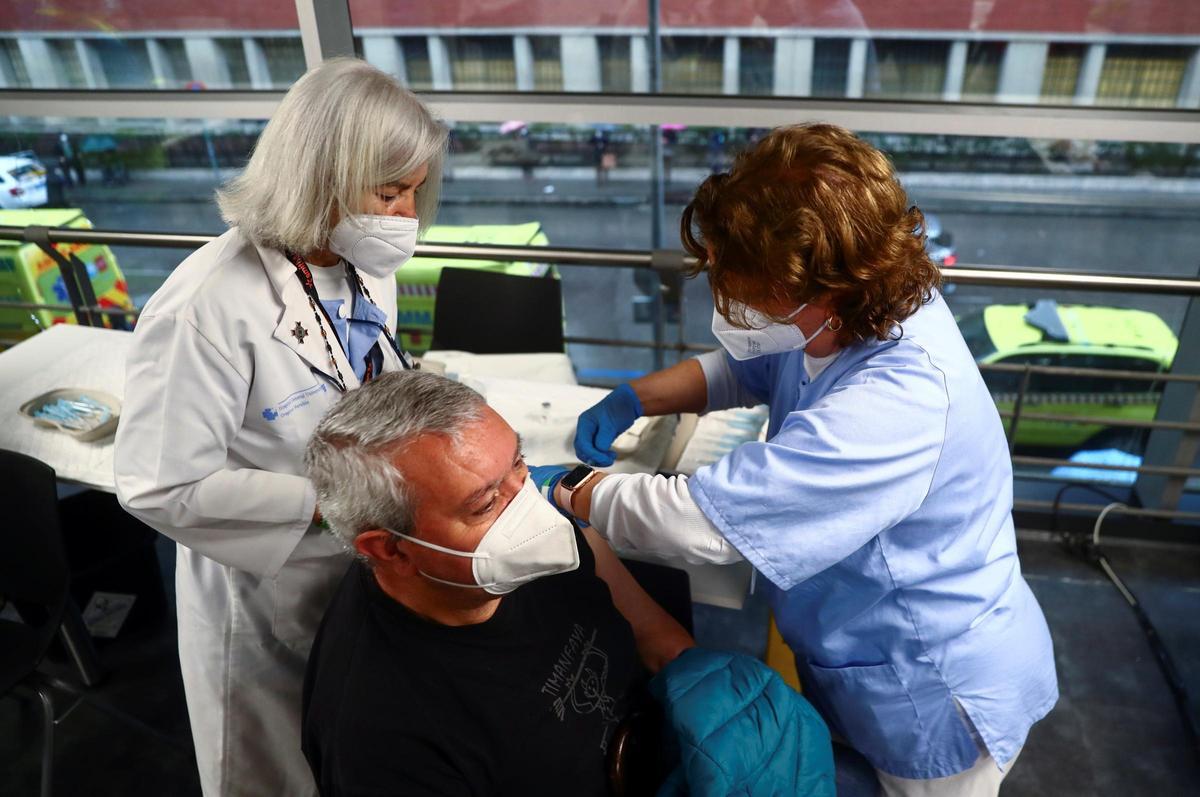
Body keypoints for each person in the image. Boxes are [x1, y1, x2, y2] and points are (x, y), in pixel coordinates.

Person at [535, 123, 1058, 796]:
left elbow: (706, 524)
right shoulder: (850, 311)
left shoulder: (900, 400)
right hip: (860, 648)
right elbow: (755, 364)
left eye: (750, 291)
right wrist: (638, 395)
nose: (736, 304)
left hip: (927, 682)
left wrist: (571, 490)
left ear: (825, 291)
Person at [113, 58, 446, 796]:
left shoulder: (364, 264)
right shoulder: (206, 306)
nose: (403, 218)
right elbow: (158, 484)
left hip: (357, 570)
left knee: (350, 753)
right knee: (273, 772)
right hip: (265, 594)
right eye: (387, 192)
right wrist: (329, 506)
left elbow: (363, 373)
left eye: (414, 193)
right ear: (319, 175)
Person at [300, 370, 694, 796]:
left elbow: (654, 635)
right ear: (391, 550)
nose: (529, 504)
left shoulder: (546, 536)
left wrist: (707, 693)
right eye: (486, 503)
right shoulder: (383, 741)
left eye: (519, 463)